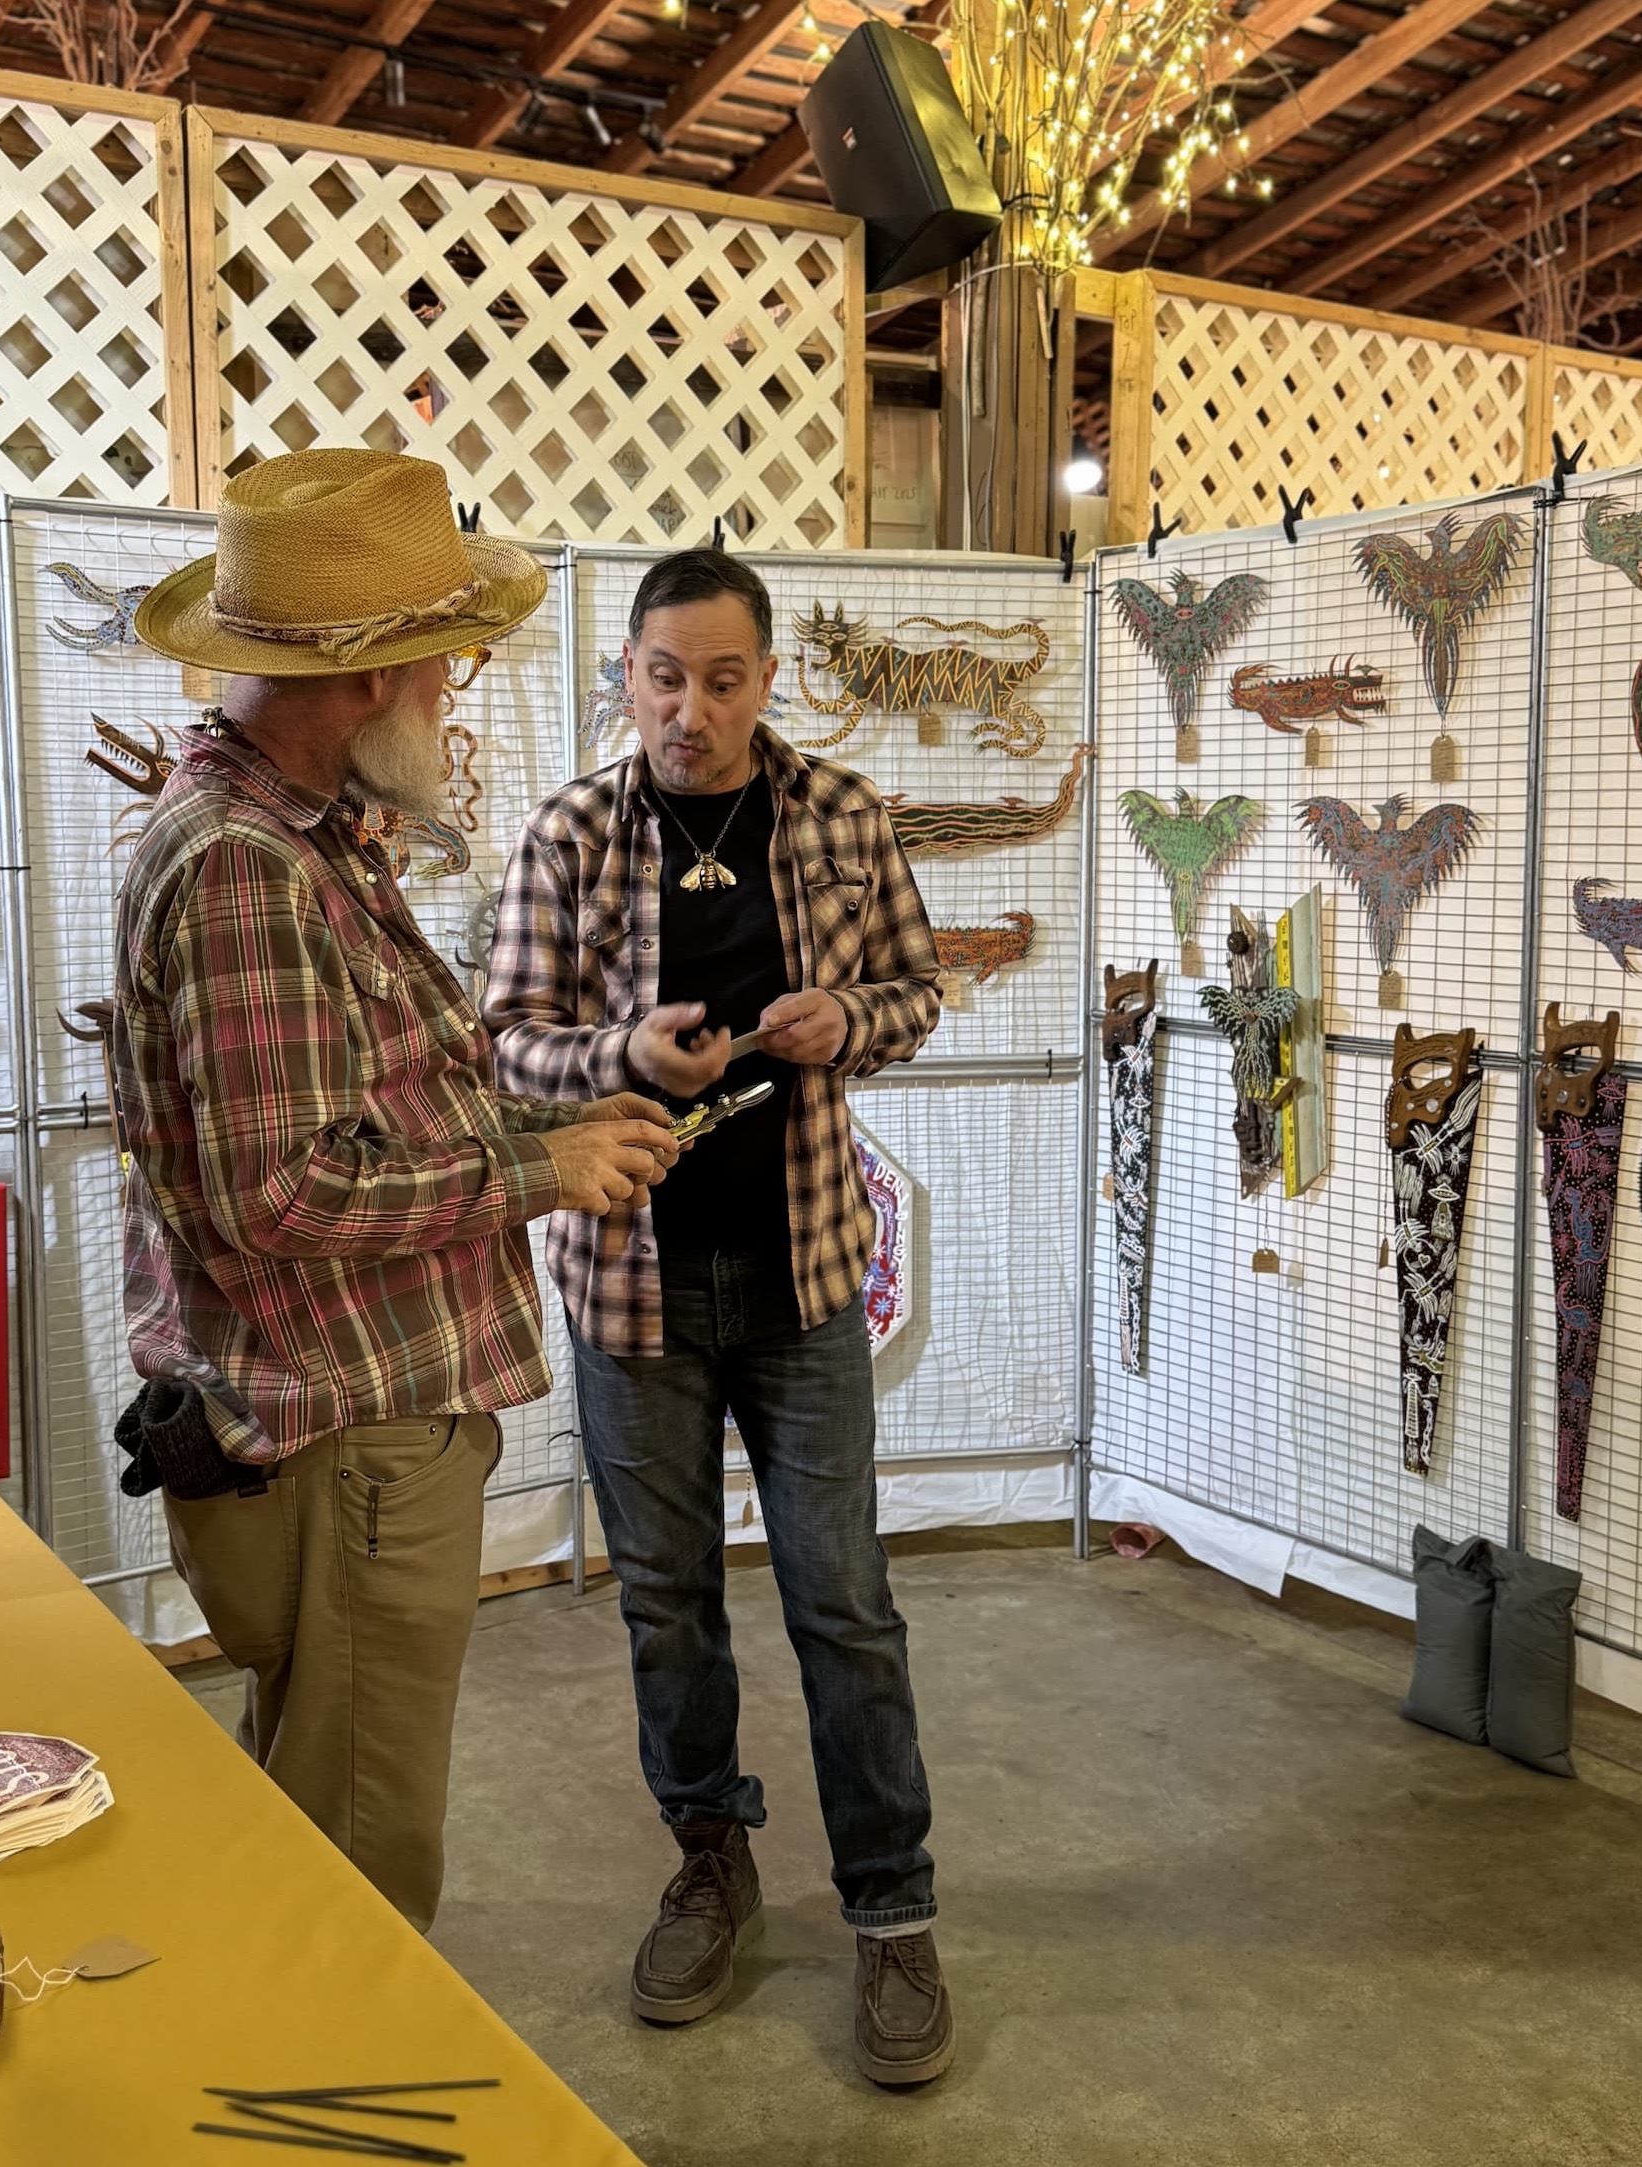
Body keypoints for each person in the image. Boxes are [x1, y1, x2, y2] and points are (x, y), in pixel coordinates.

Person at [114, 449, 680, 1932]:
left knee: (314, 1819)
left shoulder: (294, 836)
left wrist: (554, 1115)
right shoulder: (248, 867)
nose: (458, 689)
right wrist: (541, 1167)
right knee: (357, 1875)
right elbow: (280, 1197)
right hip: (341, 1444)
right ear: (368, 678)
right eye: (447, 660)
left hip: (336, 1437)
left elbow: (368, 1105)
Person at [485, 547, 953, 2086]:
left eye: (724, 678)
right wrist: (629, 1052)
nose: (691, 710)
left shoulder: (840, 817)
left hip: (807, 1276)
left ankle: (892, 1909)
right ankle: (711, 1859)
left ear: (770, 678)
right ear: (626, 675)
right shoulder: (568, 832)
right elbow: (507, 1047)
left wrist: (850, 1023)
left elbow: (917, 988)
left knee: (844, 1603)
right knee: (667, 1605)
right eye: (664, 676)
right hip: (634, 1290)